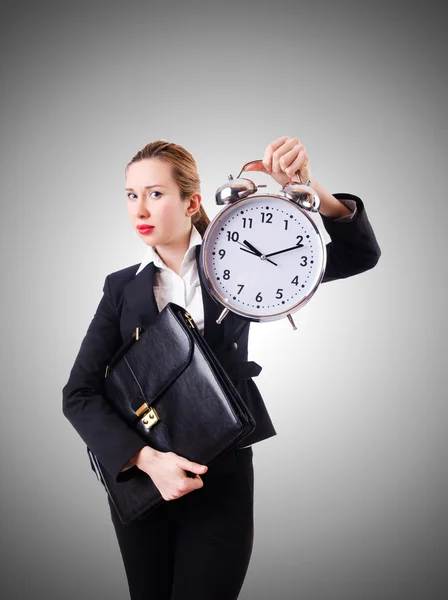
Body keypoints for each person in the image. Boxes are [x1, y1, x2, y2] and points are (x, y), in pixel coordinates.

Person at [62, 135, 381, 600]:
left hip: (221, 479)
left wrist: (306, 185)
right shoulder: (120, 289)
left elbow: (358, 255)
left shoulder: (236, 258)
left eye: (155, 194)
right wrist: (149, 462)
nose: (140, 210)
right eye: (132, 196)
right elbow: (79, 395)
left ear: (191, 202)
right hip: (145, 483)